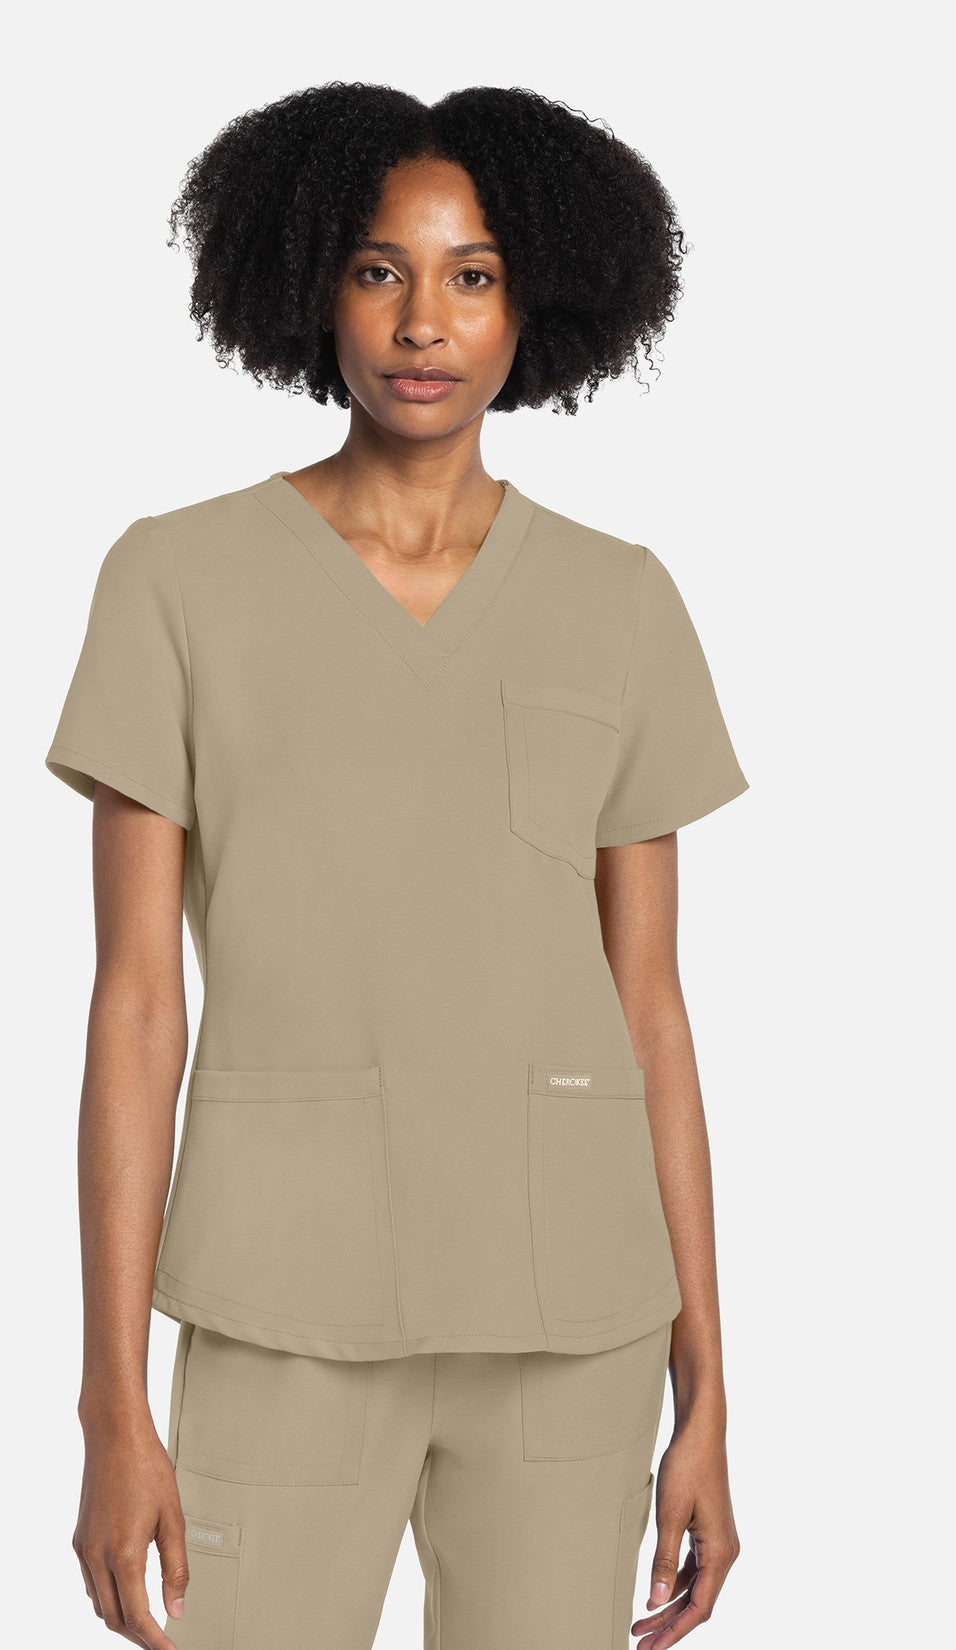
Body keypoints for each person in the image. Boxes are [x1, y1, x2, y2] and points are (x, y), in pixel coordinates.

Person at [46, 82, 747, 1650]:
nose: (424, 321)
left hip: (573, 1324)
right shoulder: (176, 582)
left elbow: (651, 1013)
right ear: (312, 282)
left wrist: (707, 1385)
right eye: (380, 269)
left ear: (533, 301)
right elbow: (137, 1006)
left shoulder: (621, 602)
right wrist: (110, 1402)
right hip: (281, 1312)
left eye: (472, 275)